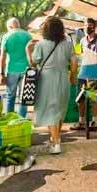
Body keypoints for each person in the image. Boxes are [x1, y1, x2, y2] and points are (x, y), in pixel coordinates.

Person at [31, 16, 77, 154]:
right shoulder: (68, 44)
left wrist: (28, 50)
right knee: (60, 109)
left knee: (50, 110)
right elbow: (74, 63)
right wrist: (72, 76)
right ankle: (56, 138)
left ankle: (56, 144)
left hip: (46, 79)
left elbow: (34, 62)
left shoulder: (40, 44)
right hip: (63, 78)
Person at [73, 18, 97, 130]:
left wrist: (96, 65)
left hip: (94, 72)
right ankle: (81, 121)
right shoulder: (82, 40)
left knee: (94, 98)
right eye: (86, 25)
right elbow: (80, 55)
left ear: (94, 27)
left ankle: (94, 121)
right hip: (82, 72)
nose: (87, 27)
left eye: (90, 25)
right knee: (80, 97)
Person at [0, 18, 32, 117]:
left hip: (11, 70)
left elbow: (2, 57)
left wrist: (1, 74)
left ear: (10, 27)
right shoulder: (28, 35)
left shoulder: (7, 36)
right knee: (24, 96)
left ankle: (10, 118)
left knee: (10, 96)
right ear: (18, 25)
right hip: (26, 69)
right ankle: (22, 119)